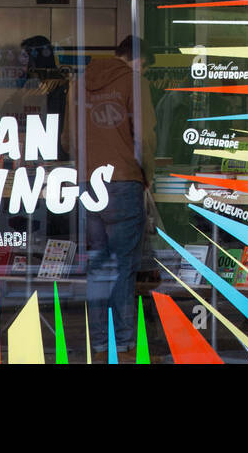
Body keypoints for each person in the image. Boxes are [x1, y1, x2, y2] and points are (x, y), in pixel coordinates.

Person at [79, 35, 153, 355]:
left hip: (88, 183)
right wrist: (146, 176)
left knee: (98, 264)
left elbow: (70, 137)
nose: (144, 73)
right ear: (136, 61)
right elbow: (146, 139)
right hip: (123, 182)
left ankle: (97, 339)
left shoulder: (79, 83)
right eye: (144, 67)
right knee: (124, 266)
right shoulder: (133, 84)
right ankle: (123, 341)